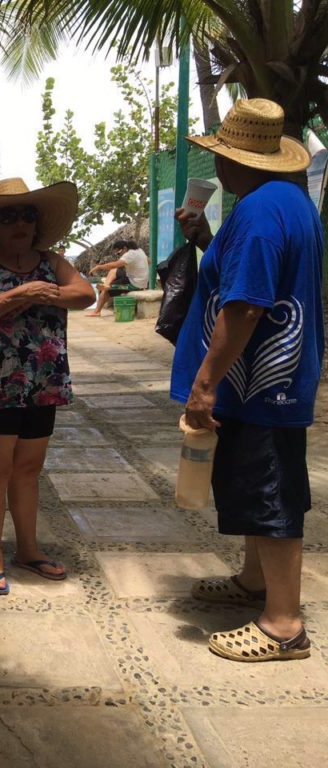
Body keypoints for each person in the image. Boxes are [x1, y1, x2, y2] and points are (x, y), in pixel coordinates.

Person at [171, 98, 323, 662]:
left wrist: (206, 383)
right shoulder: (284, 201)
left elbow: (246, 305)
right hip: (269, 380)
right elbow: (249, 276)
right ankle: (255, 583)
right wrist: (209, 236)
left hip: (262, 382)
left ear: (241, 162)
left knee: (271, 492)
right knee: (260, 486)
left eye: (221, 157)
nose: (218, 168)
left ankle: (283, 624)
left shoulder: (260, 213)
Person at [0, 177, 95, 595]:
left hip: (42, 381)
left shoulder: (52, 260)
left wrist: (47, 293)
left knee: (28, 472)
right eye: (8, 216)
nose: (20, 224)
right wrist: (24, 293)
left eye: (27, 216)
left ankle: (27, 549)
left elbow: (84, 293)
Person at [84, 239, 149, 317]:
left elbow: (114, 265)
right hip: (139, 280)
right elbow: (149, 261)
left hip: (134, 284)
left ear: (125, 248)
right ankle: (106, 284)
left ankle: (97, 311)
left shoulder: (129, 255)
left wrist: (98, 266)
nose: (119, 255)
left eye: (119, 253)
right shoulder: (139, 250)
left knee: (105, 291)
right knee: (114, 271)